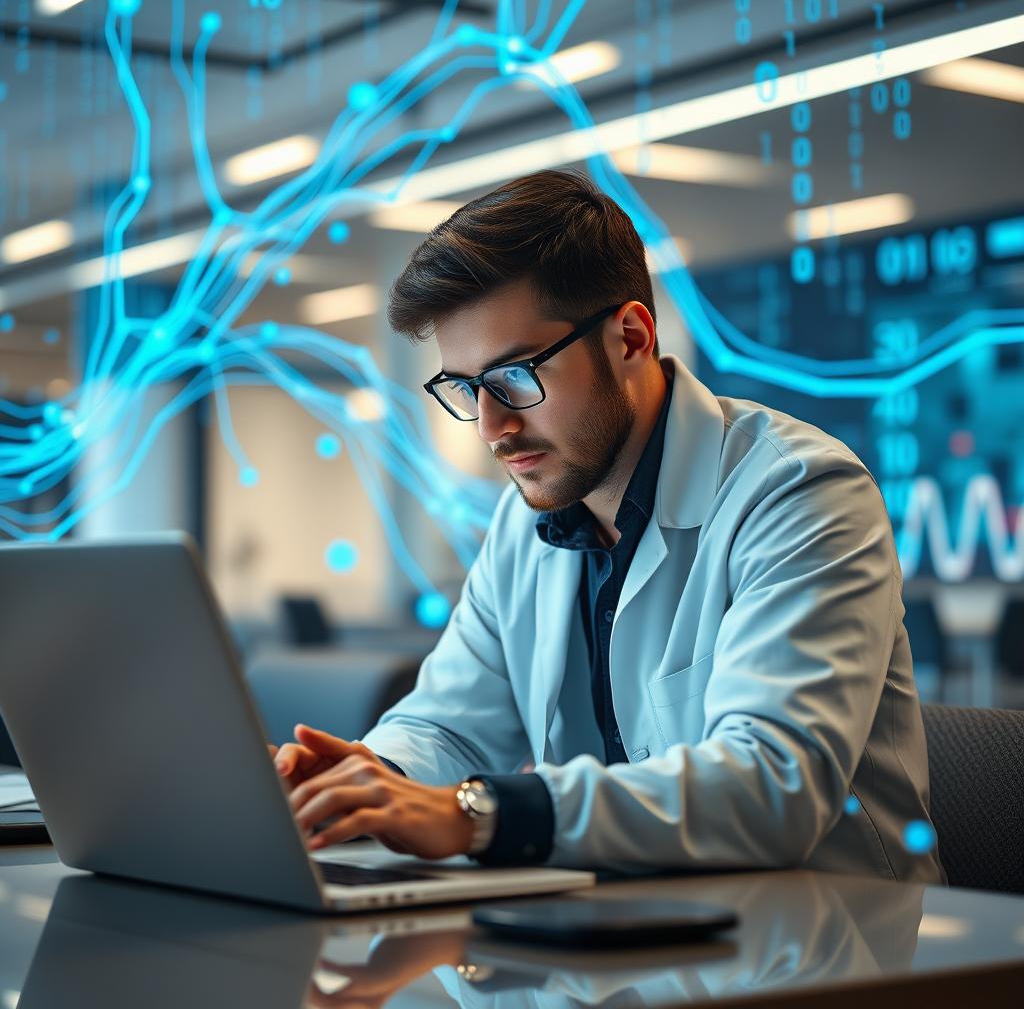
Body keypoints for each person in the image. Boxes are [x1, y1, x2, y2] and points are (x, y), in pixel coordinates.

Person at [272, 169, 946, 883]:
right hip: (625, 944)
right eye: (467, 390)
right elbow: (449, 725)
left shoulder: (798, 492)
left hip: (828, 949)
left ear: (630, 337)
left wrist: (480, 814)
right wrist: (363, 780)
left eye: (515, 378)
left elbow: (770, 787)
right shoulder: (525, 520)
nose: (492, 429)